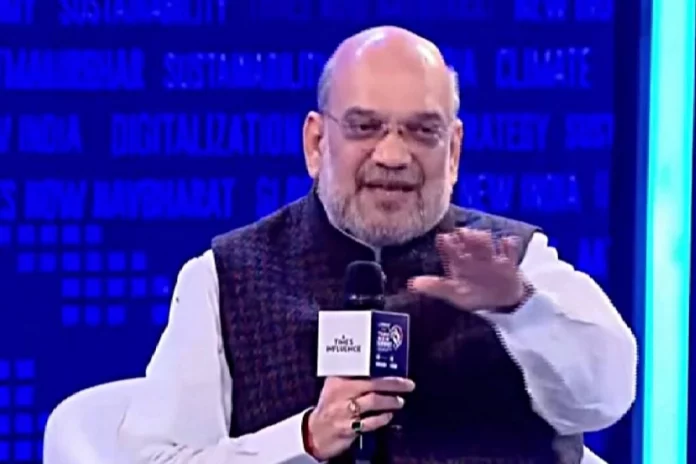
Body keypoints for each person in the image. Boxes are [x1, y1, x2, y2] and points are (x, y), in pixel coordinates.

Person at [117, 26, 637, 463]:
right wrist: (303, 440)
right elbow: (154, 459)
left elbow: (607, 400)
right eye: (365, 127)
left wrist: (520, 307)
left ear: (453, 150)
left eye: (422, 131)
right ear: (317, 143)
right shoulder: (224, 277)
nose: (392, 156)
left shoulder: (516, 261)